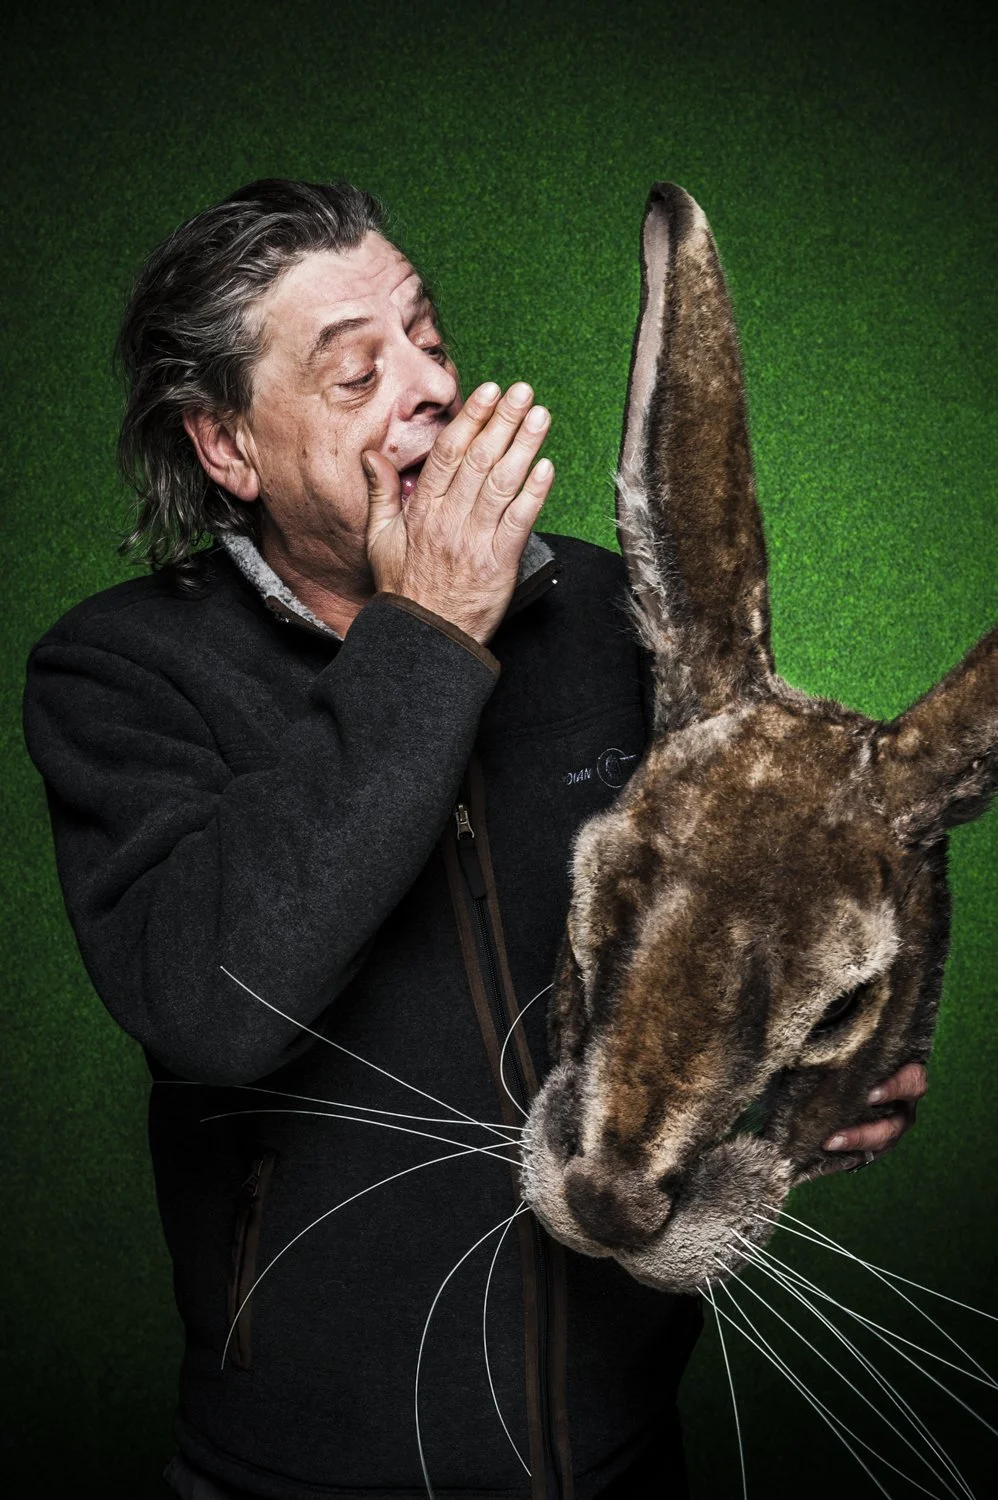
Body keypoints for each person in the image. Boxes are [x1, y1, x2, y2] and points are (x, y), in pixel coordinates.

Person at [22, 179, 927, 1500]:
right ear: (227, 446)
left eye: (428, 337)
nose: (432, 386)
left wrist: (815, 1075)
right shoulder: (119, 673)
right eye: (357, 372)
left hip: (624, 1456)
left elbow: (717, 917)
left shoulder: (607, 613)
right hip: (300, 1478)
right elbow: (209, 1008)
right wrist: (431, 636)